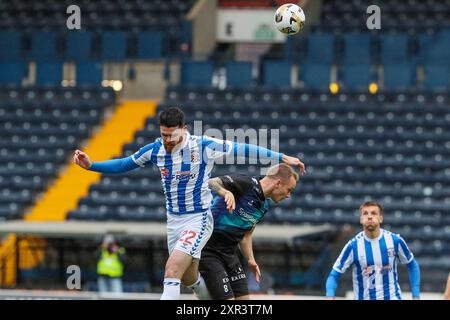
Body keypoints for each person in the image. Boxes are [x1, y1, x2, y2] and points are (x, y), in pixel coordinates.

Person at [73, 107, 305, 300]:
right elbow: (125, 164)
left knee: (172, 270)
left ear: (183, 130)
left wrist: (281, 157)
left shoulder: (203, 146)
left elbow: (242, 149)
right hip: (174, 222)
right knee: (189, 278)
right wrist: (92, 165)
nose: (167, 140)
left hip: (199, 219)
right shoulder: (155, 150)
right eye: (163, 134)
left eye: (171, 135)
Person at [199, 163, 299, 300]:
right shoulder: (247, 184)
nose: (288, 195)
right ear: (278, 183)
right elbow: (211, 182)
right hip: (208, 251)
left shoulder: (264, 205)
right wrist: (226, 192)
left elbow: (246, 234)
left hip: (229, 254)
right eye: (289, 189)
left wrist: (251, 259)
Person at [325, 201, 421, 300]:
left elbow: (412, 266)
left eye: (374, 213)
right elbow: (334, 275)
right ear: (361, 219)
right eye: (365, 213)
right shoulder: (353, 246)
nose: (369, 217)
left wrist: (416, 296)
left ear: (381, 218)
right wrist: (330, 296)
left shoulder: (395, 241)